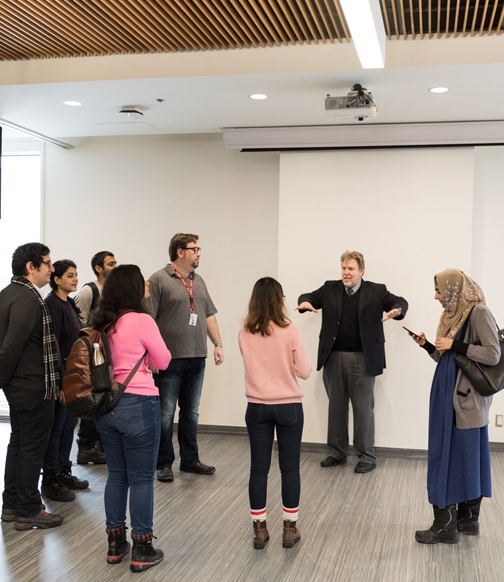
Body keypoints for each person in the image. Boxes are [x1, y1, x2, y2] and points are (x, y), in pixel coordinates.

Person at [408, 268, 500, 544]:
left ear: (453, 289)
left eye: (439, 290)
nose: (436, 297)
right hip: (447, 392)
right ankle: (464, 521)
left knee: (458, 456)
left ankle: (448, 526)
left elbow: (493, 354)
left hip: (465, 398)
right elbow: (446, 357)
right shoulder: (452, 315)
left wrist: (455, 345)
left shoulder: (478, 313)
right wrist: (427, 346)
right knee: (457, 454)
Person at [90, 265, 172, 572]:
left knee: (117, 476)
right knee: (140, 479)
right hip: (138, 405)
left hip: (106, 408)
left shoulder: (101, 323)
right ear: (133, 289)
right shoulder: (142, 320)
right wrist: (149, 360)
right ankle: (142, 547)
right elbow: (163, 359)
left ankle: (115, 544)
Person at [297, 251, 408, 474]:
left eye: (351, 269)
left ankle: (366, 456)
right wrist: (305, 303)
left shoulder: (376, 290)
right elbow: (307, 295)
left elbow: (399, 301)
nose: (346, 273)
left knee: (363, 409)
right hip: (333, 358)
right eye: (344, 268)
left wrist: (398, 311)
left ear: (361, 271)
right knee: (336, 408)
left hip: (363, 359)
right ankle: (338, 452)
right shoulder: (330, 288)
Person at [0, 242, 63, 531]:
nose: (51, 268)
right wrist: (1, 375)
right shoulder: (28, 299)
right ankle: (29, 509)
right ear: (31, 267)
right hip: (32, 387)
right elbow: (11, 345)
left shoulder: (6, 294)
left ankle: (12, 505)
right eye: (47, 263)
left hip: (19, 386)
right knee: (32, 448)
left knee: (19, 444)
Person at [238, 277, 312, 550]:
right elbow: (304, 371)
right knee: (289, 468)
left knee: (258, 468)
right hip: (289, 407)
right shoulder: (290, 330)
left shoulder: (244, 332)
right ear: (279, 300)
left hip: (256, 407)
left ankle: (259, 531)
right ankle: (289, 530)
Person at [147, 233, 224, 482]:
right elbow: (147, 320)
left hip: (196, 357)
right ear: (180, 251)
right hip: (168, 359)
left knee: (191, 412)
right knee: (166, 413)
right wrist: (150, 355)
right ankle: (163, 463)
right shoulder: (159, 280)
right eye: (194, 249)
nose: (199, 253)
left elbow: (208, 314)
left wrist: (218, 344)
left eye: (199, 248)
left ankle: (190, 460)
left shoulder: (198, 280)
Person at [40, 259, 89, 502]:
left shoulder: (69, 303)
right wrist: (60, 383)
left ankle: (64, 471)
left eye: (76, 275)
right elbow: (54, 347)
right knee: (56, 429)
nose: (75, 279)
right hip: (63, 380)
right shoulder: (52, 305)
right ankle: (50, 478)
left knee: (69, 427)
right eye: (70, 275)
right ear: (56, 279)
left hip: (74, 379)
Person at [74, 250, 118, 466]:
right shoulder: (88, 291)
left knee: (104, 399)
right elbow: (76, 321)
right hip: (92, 356)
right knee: (93, 400)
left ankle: (97, 446)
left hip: (106, 355)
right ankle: (85, 447)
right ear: (98, 268)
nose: (115, 267)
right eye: (111, 263)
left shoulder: (112, 292)